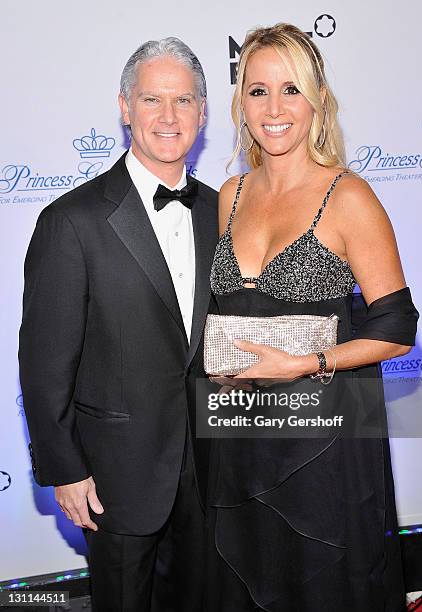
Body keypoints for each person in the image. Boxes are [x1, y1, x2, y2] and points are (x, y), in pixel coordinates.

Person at [206, 23, 418, 611]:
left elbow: (398, 330)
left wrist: (303, 364)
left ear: (318, 100)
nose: (274, 108)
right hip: (240, 436)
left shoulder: (349, 196)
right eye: (257, 91)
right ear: (239, 102)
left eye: (291, 90)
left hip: (323, 448)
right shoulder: (230, 194)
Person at [18, 37, 217, 611]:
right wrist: (65, 468)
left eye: (182, 101)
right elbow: (45, 362)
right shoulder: (71, 221)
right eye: (151, 99)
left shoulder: (223, 212)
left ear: (202, 114)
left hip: (212, 473)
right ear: (124, 107)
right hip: (115, 477)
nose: (168, 116)